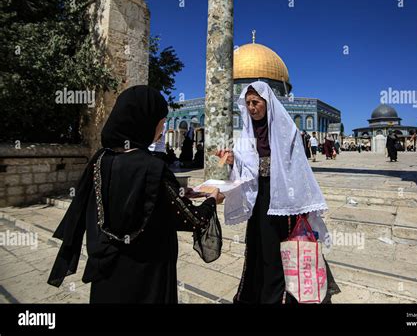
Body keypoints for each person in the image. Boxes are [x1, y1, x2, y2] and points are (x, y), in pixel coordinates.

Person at [47, 85, 225, 303]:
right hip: (146, 275)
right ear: (145, 122)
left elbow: (128, 199)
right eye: (160, 121)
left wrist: (178, 193)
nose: (162, 127)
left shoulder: (100, 160)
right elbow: (193, 220)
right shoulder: (153, 168)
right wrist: (211, 199)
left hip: (108, 271)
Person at [215, 81, 340, 304]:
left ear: (267, 102)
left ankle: (278, 298)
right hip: (260, 199)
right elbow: (247, 166)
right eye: (248, 103)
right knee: (259, 248)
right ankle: (258, 295)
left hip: (283, 201)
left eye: (256, 103)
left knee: (277, 250)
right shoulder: (248, 131)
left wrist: (300, 202)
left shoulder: (285, 129)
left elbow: (296, 166)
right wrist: (234, 160)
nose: (252, 108)